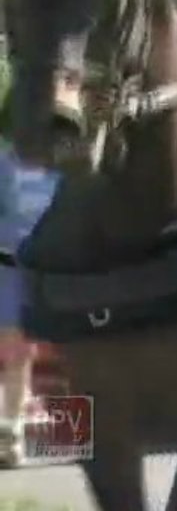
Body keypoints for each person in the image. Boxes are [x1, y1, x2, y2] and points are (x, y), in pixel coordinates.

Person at [0, 96, 61, 465]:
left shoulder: (66, 169)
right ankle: (12, 433)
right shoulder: (4, 162)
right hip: (9, 266)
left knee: (69, 350)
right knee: (16, 349)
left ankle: (24, 425)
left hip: (56, 268)